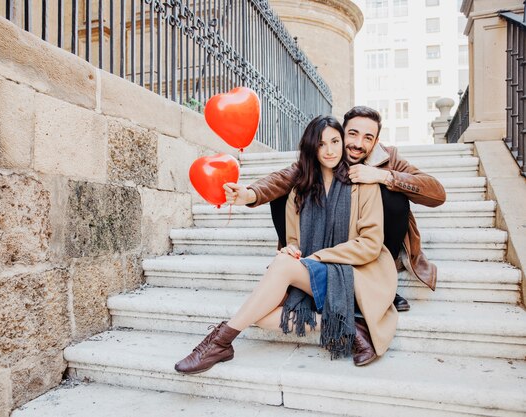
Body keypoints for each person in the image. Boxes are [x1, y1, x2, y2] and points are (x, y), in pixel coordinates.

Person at [174, 116, 397, 374]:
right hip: (317, 274)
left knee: (274, 281)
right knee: (259, 314)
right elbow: (294, 242)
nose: (330, 150)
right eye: (322, 144)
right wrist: (291, 251)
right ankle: (343, 324)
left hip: (357, 274)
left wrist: (315, 258)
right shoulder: (299, 191)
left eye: (335, 141)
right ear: (312, 148)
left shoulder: (362, 184)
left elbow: (370, 245)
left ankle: (220, 341)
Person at [224, 106, 446, 311]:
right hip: (326, 239)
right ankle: (299, 263)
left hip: (370, 246)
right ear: (341, 132)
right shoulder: (327, 153)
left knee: (392, 197)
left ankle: (379, 281)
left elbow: (437, 193)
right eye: (352, 134)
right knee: (282, 195)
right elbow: (282, 178)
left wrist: (383, 176)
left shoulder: (387, 158)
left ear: (376, 140)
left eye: (368, 137)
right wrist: (249, 194)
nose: (358, 143)